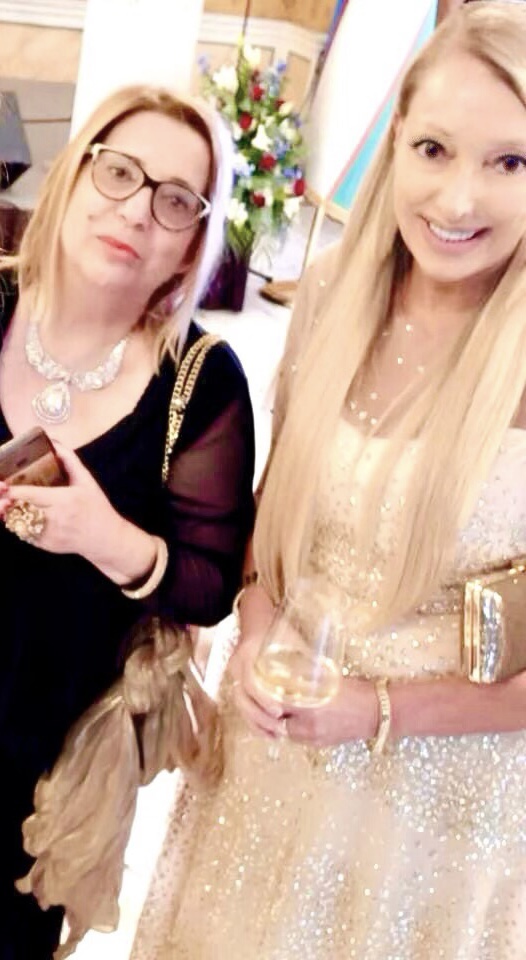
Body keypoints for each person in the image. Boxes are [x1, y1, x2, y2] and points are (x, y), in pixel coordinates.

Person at [130, 4, 526, 959]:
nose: (458, 198)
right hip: (273, 760)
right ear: (396, 140)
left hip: (439, 808)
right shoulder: (334, 292)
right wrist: (260, 632)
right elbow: (277, 525)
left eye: (509, 162)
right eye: (434, 149)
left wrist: (377, 713)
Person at [0, 85, 255, 959]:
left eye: (176, 200)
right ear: (75, 174)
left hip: (35, 770)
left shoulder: (200, 381)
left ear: (191, 243)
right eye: (119, 173)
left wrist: (103, 536)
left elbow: (211, 584)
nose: (138, 211)